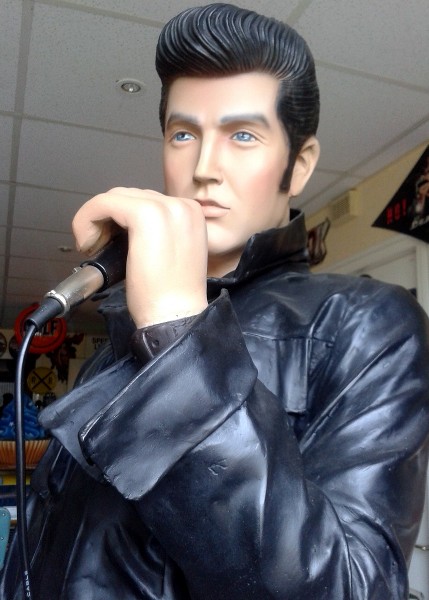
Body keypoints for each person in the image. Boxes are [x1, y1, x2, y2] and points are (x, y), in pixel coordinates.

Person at [2, 4, 429, 599]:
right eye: (183, 134)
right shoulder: (122, 332)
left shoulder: (366, 325)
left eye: (243, 135)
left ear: (299, 164)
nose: (204, 168)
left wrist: (178, 334)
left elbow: (353, 589)